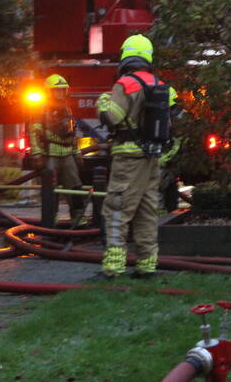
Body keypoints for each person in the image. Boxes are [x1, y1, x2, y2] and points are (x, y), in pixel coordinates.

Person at [94, 34, 178, 279]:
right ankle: (147, 265)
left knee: (117, 210)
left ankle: (114, 268)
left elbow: (113, 117)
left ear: (125, 56)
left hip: (128, 159)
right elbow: (173, 120)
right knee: (147, 211)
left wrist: (102, 103)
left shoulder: (126, 84)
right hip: (152, 158)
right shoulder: (160, 85)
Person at [30, 74, 85, 226]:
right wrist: (37, 153)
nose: (60, 93)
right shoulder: (40, 109)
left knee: (75, 187)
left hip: (67, 155)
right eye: (57, 90)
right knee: (50, 189)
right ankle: (50, 219)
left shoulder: (67, 109)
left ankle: (78, 218)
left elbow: (72, 132)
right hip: (49, 155)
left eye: (62, 90)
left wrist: (77, 152)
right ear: (49, 92)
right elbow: (34, 131)